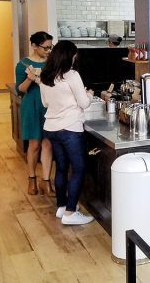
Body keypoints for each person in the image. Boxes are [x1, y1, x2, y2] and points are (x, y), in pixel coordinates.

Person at [39, 40, 95, 225]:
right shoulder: (71, 75)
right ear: (69, 56)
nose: (74, 59)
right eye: (74, 56)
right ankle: (71, 213)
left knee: (62, 168)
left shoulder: (45, 76)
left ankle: (62, 207)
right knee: (79, 169)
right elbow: (84, 104)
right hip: (70, 128)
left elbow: (46, 103)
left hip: (52, 128)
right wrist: (89, 95)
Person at [15, 31, 55, 197]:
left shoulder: (52, 63)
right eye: (45, 47)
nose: (48, 51)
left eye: (50, 47)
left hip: (50, 106)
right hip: (31, 105)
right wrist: (30, 78)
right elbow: (20, 90)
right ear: (34, 46)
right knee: (34, 144)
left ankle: (46, 181)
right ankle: (32, 178)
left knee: (48, 143)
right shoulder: (23, 64)